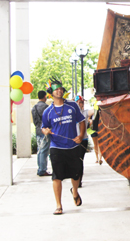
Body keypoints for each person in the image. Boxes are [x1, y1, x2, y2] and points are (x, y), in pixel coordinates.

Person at [41, 79, 86, 215]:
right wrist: (46, 131)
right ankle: (59, 205)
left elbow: (82, 121)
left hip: (73, 146)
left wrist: (81, 135)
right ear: (51, 93)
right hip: (56, 148)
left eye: (61, 88)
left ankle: (75, 191)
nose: (59, 91)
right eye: (56, 89)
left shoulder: (72, 106)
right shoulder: (47, 112)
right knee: (56, 176)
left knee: (76, 174)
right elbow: (44, 127)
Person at [75, 95, 94, 187]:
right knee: (74, 160)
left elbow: (94, 110)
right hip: (73, 140)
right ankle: (75, 179)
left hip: (83, 140)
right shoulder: (71, 113)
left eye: (81, 102)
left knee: (79, 160)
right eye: (77, 102)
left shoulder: (85, 112)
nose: (79, 104)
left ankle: (79, 181)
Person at [32, 90, 51, 176]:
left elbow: (35, 121)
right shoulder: (47, 107)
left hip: (37, 130)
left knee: (39, 150)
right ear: (44, 96)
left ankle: (40, 168)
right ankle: (42, 170)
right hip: (45, 131)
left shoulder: (34, 107)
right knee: (44, 151)